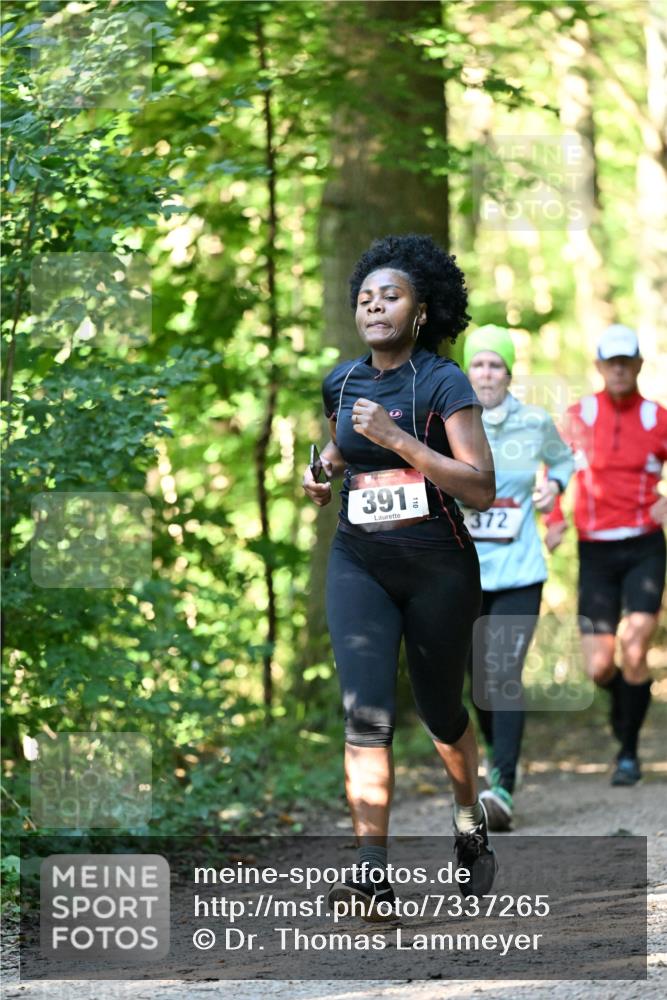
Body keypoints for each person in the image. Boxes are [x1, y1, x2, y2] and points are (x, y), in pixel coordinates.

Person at [302, 234, 498, 920]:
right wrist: (319, 471)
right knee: (366, 714)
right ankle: (370, 875)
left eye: (390, 296)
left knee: (442, 714)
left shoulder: (444, 383)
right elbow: (340, 445)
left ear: (420, 312)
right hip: (359, 562)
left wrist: (400, 441)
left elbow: (479, 486)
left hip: (438, 569)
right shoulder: (342, 380)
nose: (374, 306)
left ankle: (468, 816)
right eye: (364, 298)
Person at [462, 325, 574, 831]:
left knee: (503, 673)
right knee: (477, 681)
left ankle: (502, 785)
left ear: (509, 373)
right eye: (479, 364)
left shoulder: (533, 421)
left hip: (521, 572)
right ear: (467, 372)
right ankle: (496, 759)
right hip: (463, 576)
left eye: (495, 365)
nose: (487, 373)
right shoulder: (449, 422)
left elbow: (564, 460)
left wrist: (554, 487)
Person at [545, 324, 667, 786]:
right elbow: (553, 468)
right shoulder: (579, 416)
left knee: (634, 647)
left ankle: (629, 753)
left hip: (644, 547)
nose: (618, 369)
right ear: (599, 366)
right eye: (610, 362)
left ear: (638, 365)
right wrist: (554, 517)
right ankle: (625, 702)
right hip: (595, 550)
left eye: (626, 361)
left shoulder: (658, 418)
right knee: (600, 667)